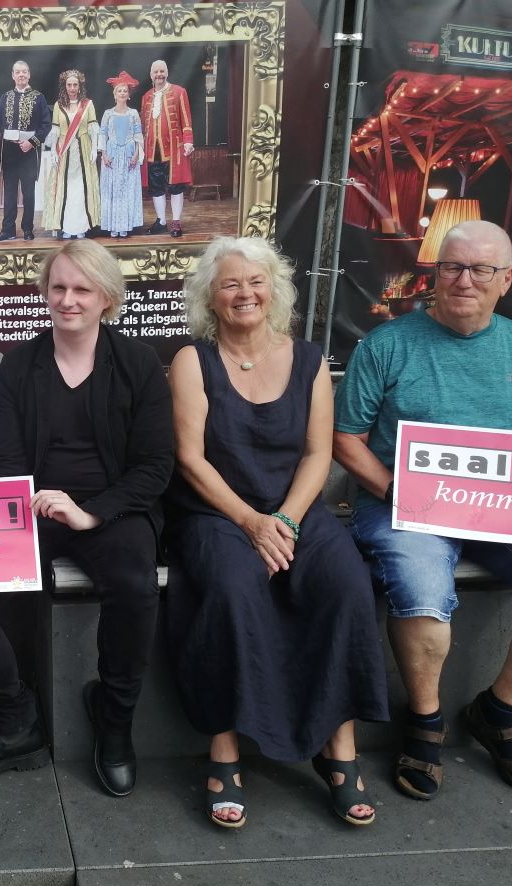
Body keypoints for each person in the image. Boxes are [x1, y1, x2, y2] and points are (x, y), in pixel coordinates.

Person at [334, 219, 512, 802]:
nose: (464, 280)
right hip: (405, 507)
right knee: (424, 595)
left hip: (507, 510)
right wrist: (393, 491)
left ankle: (500, 712)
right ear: (434, 274)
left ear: (506, 279)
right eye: (452, 267)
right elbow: (345, 438)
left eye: (481, 270)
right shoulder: (386, 345)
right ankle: (425, 723)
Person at [166, 236, 389, 829]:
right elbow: (190, 459)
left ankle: (339, 749)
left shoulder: (310, 360)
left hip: (296, 511)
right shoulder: (193, 360)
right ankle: (224, 753)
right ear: (210, 298)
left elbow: (320, 454)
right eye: (230, 284)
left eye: (255, 281)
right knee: (233, 588)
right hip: (215, 512)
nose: (245, 293)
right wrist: (250, 521)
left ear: (275, 290)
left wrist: (285, 520)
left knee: (345, 584)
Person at [0, 240, 172, 794]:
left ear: (107, 298)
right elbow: (8, 463)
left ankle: (114, 721)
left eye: (82, 289)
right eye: (58, 287)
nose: (68, 300)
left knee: (135, 584)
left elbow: (154, 465)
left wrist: (90, 514)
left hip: (115, 510)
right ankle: (17, 720)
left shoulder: (138, 362)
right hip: (31, 507)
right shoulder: (21, 363)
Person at [0, 60, 52, 242]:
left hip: (29, 151)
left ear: (29, 75)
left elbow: (46, 125)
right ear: (13, 75)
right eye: (18, 72)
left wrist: (32, 142)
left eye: (24, 72)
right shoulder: (5, 97)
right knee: (10, 192)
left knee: (28, 193)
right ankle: (8, 230)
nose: (21, 75)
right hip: (10, 151)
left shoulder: (38, 97)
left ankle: (28, 228)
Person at [43, 69, 101, 240]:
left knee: (82, 187)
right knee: (65, 188)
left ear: (80, 85)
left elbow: (93, 128)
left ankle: (81, 227)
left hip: (83, 149)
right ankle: (67, 227)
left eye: (75, 84)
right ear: (64, 86)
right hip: (64, 151)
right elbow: (54, 130)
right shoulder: (58, 105)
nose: (72, 88)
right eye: (69, 85)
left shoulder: (88, 104)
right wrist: (53, 150)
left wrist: (94, 149)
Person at [140, 60, 193, 238]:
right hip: (152, 150)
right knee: (156, 187)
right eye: (156, 72)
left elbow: (186, 119)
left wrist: (188, 141)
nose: (159, 75)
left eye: (162, 71)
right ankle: (161, 221)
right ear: (151, 75)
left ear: (167, 73)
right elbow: (142, 125)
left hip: (174, 149)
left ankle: (176, 221)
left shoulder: (179, 92)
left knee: (176, 186)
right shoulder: (146, 96)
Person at [98, 71, 144, 239]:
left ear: (128, 94)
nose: (122, 93)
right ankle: (113, 225)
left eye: (125, 90)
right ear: (114, 94)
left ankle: (125, 225)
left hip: (128, 155)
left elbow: (139, 136)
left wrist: (136, 155)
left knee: (126, 190)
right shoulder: (108, 114)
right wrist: (103, 154)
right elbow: (102, 135)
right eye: (119, 90)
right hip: (112, 155)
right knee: (112, 190)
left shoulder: (133, 114)